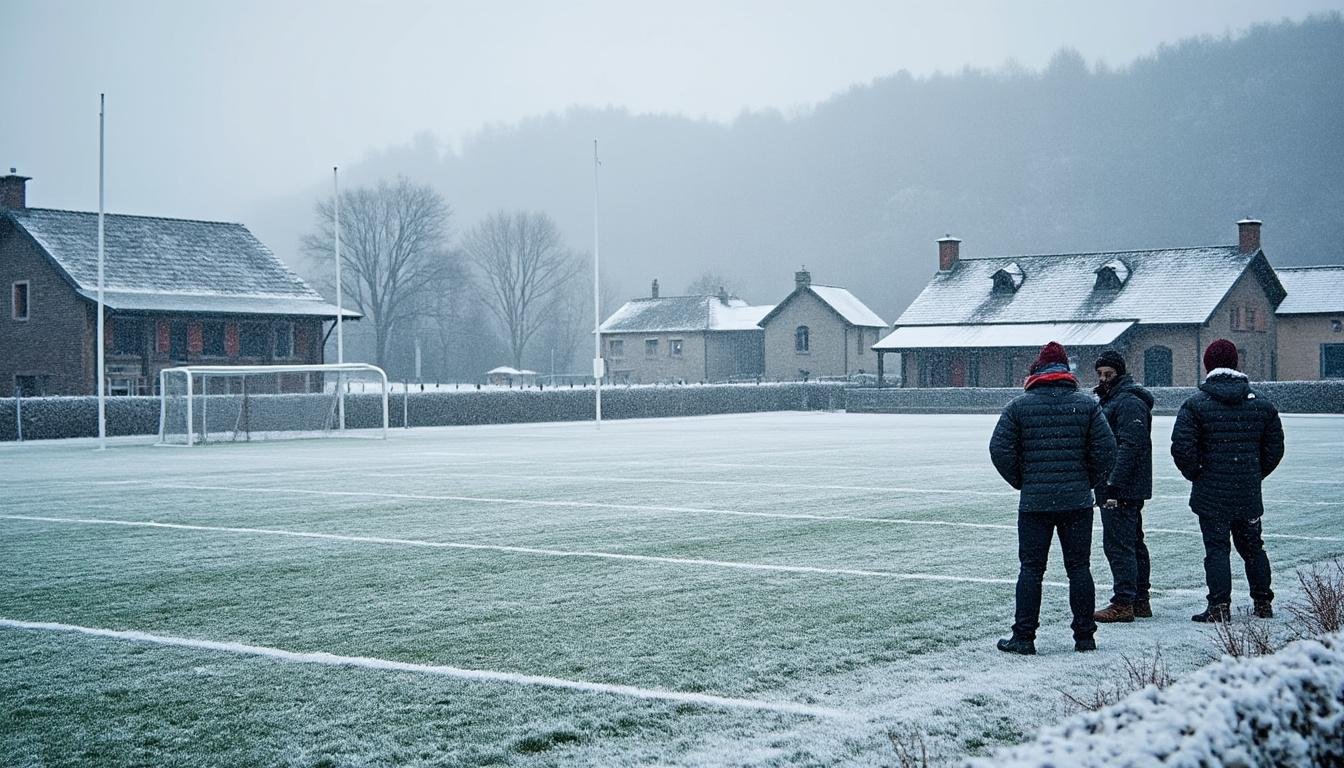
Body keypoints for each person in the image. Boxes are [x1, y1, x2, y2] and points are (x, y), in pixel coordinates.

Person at [990, 341, 1116, 655]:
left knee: (1031, 569)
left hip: (1035, 502)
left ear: (1037, 370)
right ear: (1066, 372)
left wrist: (1022, 480)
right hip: (1076, 501)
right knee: (1079, 568)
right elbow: (1107, 450)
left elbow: (999, 449)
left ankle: (1024, 636)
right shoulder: (1086, 405)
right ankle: (1085, 636)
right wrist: (1088, 479)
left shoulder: (1019, 406)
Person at [1171, 339, 1284, 623]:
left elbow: (1182, 448)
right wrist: (1253, 474)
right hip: (1246, 491)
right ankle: (1262, 602)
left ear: (1207, 365)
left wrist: (1198, 474)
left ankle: (1219, 606)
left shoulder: (1195, 405)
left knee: (1217, 550)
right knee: (1253, 548)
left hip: (1211, 493)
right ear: (1236, 364)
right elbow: (1274, 449)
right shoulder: (1262, 406)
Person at [1090, 350, 1156, 623]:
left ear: (1120, 373)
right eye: (1101, 374)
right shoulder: (1118, 399)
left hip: (1121, 485)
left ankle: (1124, 601)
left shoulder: (1127, 402)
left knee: (1119, 544)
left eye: (1109, 374)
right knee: (1131, 541)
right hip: (1125, 483)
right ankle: (1139, 599)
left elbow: (1130, 445)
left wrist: (1113, 481)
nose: (1104, 379)